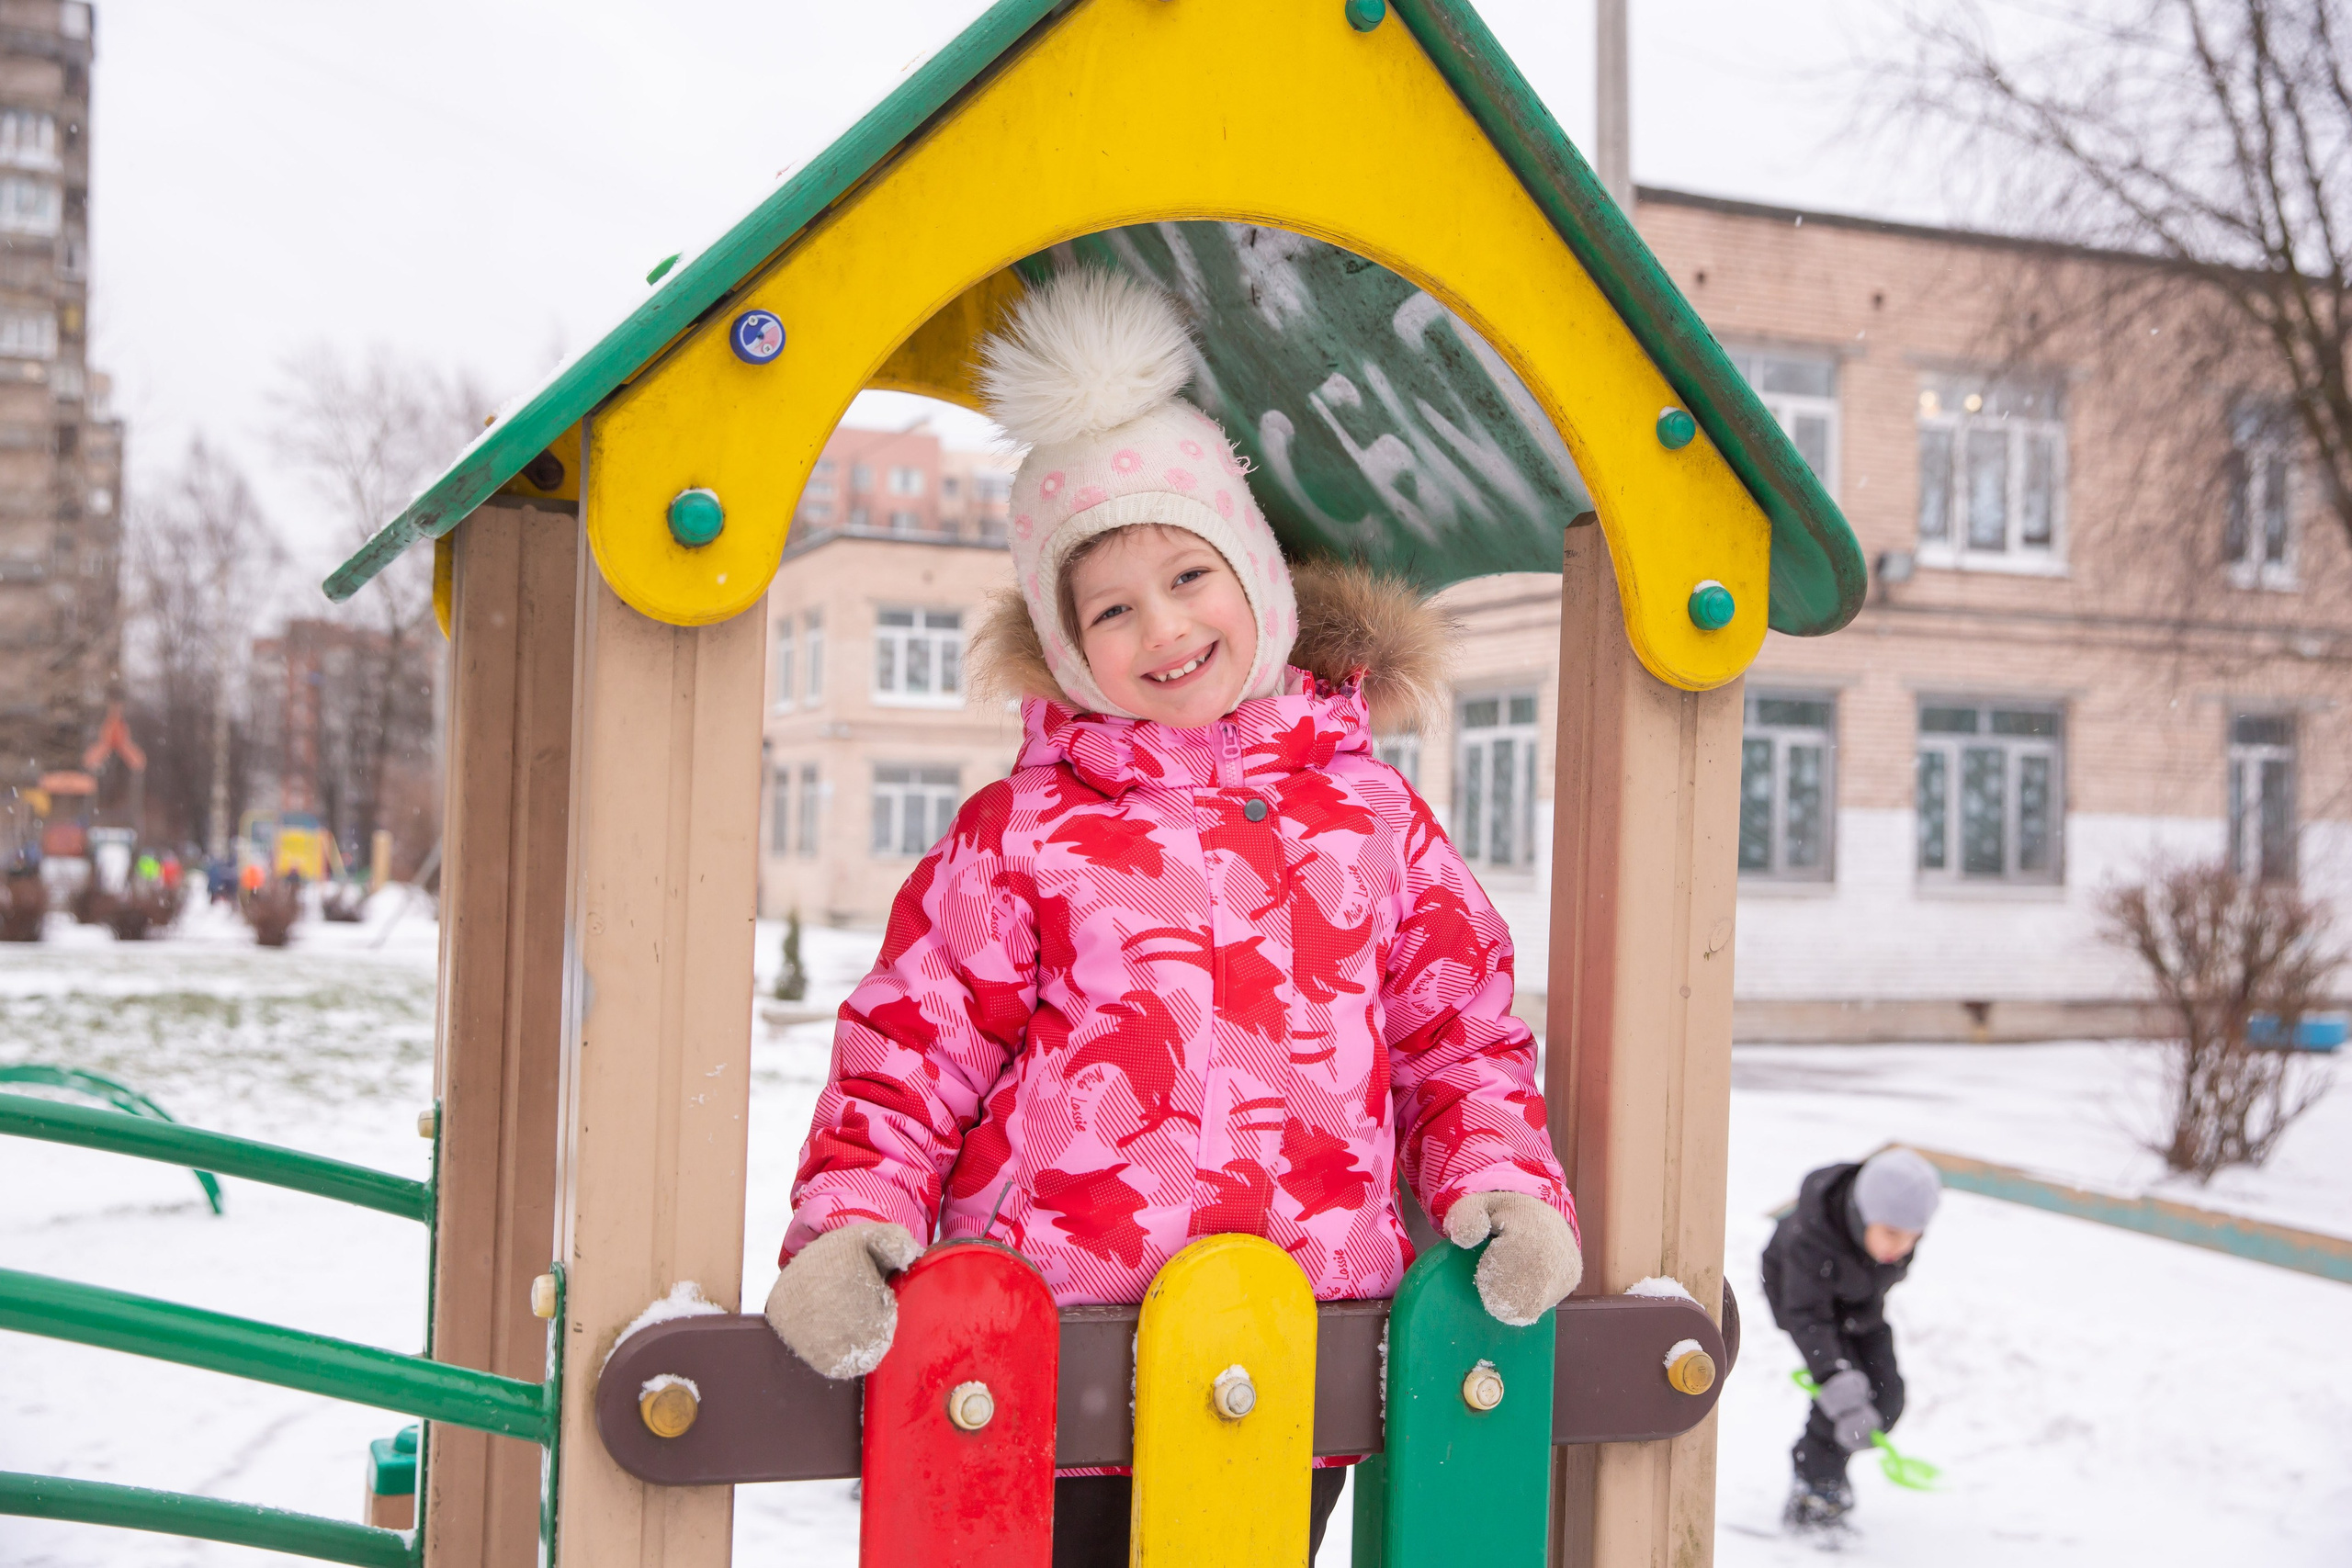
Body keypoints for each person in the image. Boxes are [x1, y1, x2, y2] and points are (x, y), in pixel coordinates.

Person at [763, 269, 1581, 1567]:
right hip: (1042, 1357)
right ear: (1068, 645)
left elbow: (1456, 1034)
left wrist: (1499, 1181)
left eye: (1190, 573)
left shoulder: (1373, 819)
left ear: (1254, 574)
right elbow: (913, 1045)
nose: (1163, 625)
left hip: (1301, 1347)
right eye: (1110, 607)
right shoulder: (1023, 832)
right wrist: (854, 1216)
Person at [1761, 1145, 1943, 1539]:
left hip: (1857, 1303)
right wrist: (1831, 1373)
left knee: (1885, 1400)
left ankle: (1831, 1464)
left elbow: (1878, 1282)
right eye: (1892, 1233)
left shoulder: (1887, 1239)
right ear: (1862, 1213)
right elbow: (1805, 1314)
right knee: (1843, 1399)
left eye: (1913, 1237)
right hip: (1802, 1304)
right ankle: (1815, 1491)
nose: (1902, 1247)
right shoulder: (1811, 1239)